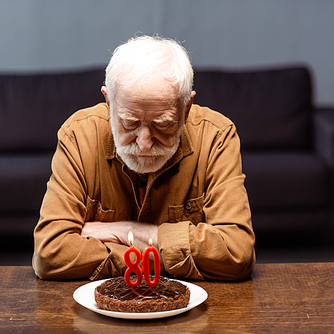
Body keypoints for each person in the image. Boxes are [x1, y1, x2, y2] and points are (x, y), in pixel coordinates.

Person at [33, 35, 255, 281]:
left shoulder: (217, 136)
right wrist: (165, 252)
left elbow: (237, 254)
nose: (144, 144)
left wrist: (127, 232)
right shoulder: (78, 134)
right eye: (129, 122)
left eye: (162, 125)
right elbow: (50, 254)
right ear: (108, 102)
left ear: (187, 108)